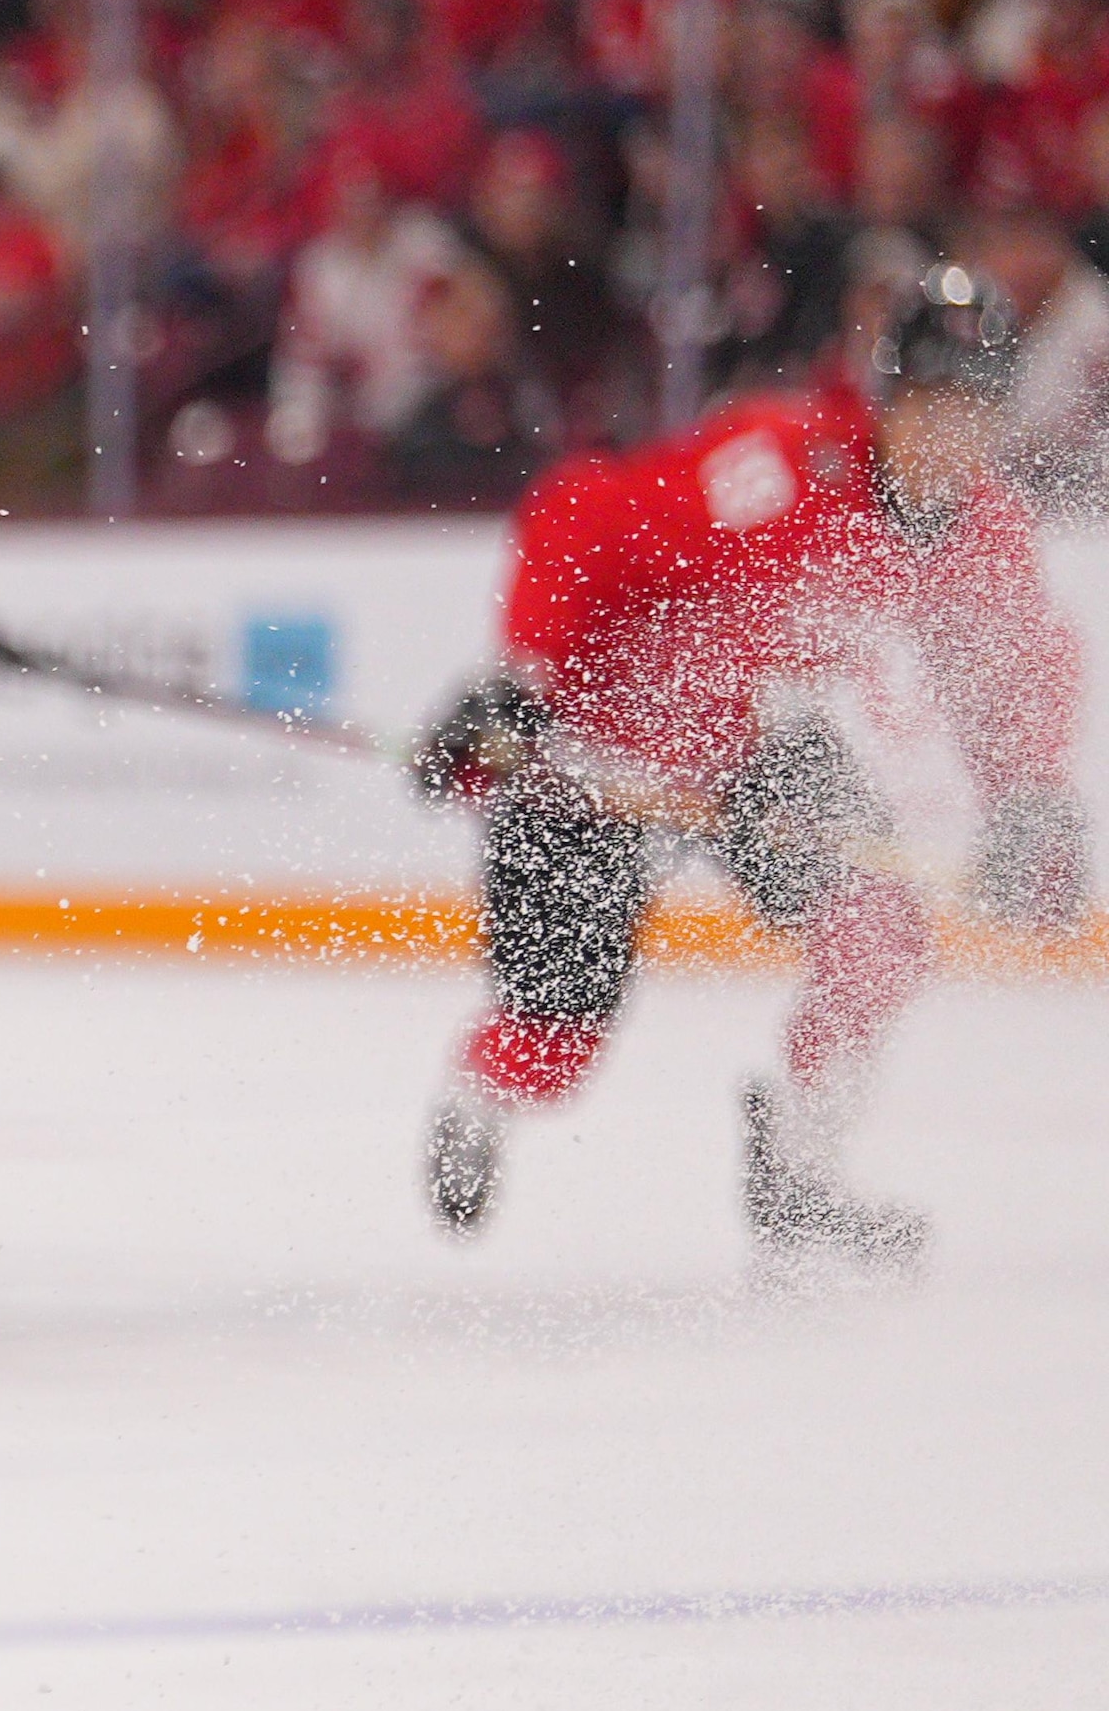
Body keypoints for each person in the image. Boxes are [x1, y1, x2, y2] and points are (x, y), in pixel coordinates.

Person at [412, 261, 1087, 1271]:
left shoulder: (979, 532)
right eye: (932, 404)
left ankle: (798, 1166)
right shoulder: (776, 467)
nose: (951, 436)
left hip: (747, 743)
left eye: (975, 412)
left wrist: (1030, 796)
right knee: (555, 1036)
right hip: (593, 746)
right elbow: (579, 514)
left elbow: (1010, 668)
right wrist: (523, 678)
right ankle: (482, 1096)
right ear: (889, 398)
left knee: (878, 929)